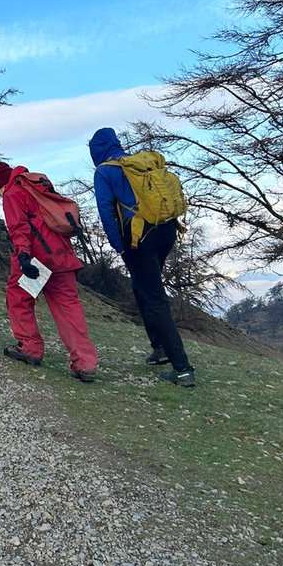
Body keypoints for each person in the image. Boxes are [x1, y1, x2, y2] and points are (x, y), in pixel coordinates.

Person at [89, 127, 195, 387]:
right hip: (166, 230)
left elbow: (106, 212)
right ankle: (159, 348)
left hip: (140, 238)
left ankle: (182, 368)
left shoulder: (104, 171)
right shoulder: (138, 163)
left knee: (155, 297)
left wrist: (120, 247)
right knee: (142, 287)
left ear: (96, 150)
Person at [0, 161, 99, 381]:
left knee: (19, 298)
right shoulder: (38, 185)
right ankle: (85, 363)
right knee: (68, 307)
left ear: (2, 185)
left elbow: (19, 228)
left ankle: (30, 347)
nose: (1, 195)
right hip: (62, 256)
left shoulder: (13, 192)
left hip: (38, 261)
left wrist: (23, 256)